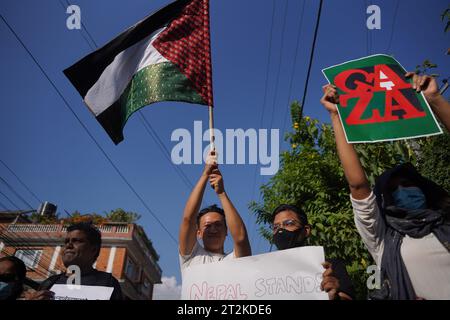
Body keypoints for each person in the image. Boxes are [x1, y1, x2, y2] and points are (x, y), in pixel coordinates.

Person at [320, 73, 450, 300]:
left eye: (408, 184)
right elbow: (358, 185)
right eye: (393, 189)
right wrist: (336, 117)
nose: (402, 190)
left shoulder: (446, 224)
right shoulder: (382, 239)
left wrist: (435, 99)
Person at [179, 151, 251, 273]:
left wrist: (221, 193)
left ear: (227, 231)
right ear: (199, 233)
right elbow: (188, 219)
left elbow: (241, 238)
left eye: (218, 225)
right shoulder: (191, 256)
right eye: (207, 226)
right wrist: (205, 173)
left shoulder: (236, 260)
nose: (213, 229)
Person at [271, 204, 355, 300]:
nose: (281, 230)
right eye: (275, 227)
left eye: (289, 223)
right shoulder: (265, 272)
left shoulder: (329, 267)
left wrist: (336, 296)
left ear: (306, 230)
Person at [28, 222, 123, 300]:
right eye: (66, 241)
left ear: (93, 249)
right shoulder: (49, 283)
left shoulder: (107, 282)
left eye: (77, 241)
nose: (68, 245)